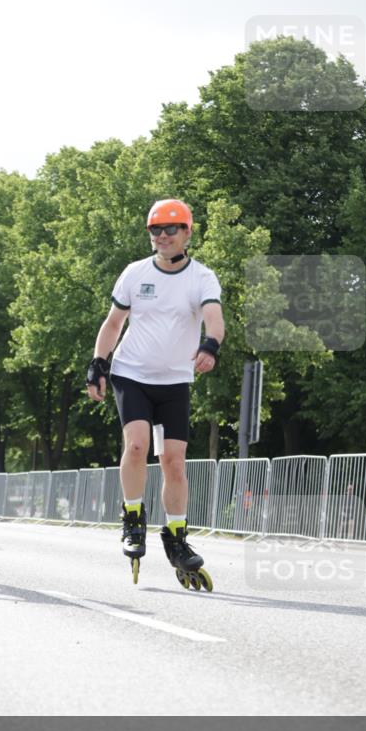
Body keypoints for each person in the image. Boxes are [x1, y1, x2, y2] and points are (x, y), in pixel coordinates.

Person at [86, 198, 225, 590]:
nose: (162, 236)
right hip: (131, 375)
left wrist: (210, 345)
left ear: (187, 232)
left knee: (174, 462)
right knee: (136, 446)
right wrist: (98, 362)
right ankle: (133, 519)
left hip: (174, 381)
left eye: (171, 229)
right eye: (155, 230)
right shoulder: (134, 273)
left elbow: (214, 318)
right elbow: (113, 323)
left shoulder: (202, 277)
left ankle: (176, 538)